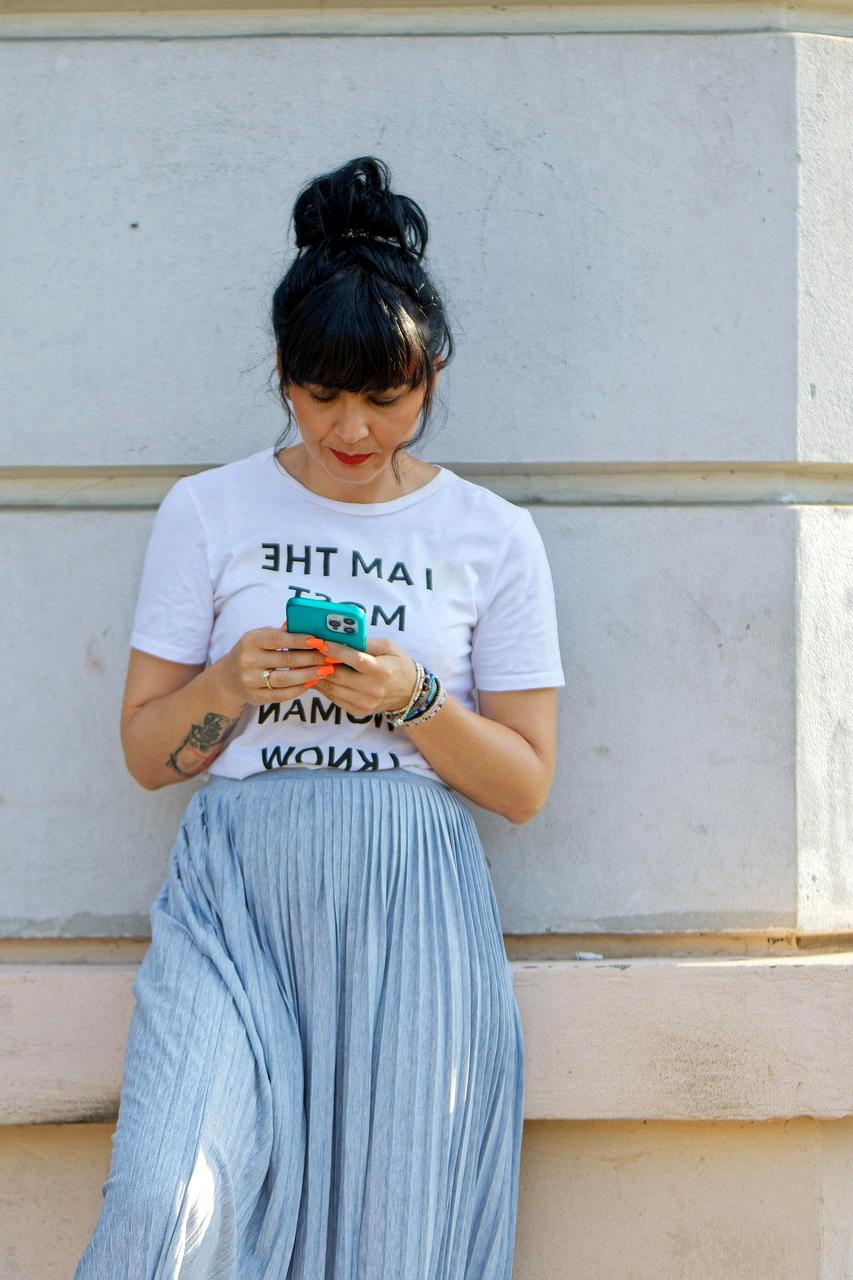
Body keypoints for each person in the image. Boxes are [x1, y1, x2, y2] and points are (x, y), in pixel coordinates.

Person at [74, 154, 566, 1280]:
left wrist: (416, 701)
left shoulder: (490, 536)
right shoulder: (208, 510)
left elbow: (525, 784)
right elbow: (151, 754)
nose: (351, 429)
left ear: (430, 375)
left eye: (383, 397)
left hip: (413, 905)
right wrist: (225, 686)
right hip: (238, 894)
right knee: (165, 1193)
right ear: (284, 379)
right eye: (320, 393)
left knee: (394, 1238)